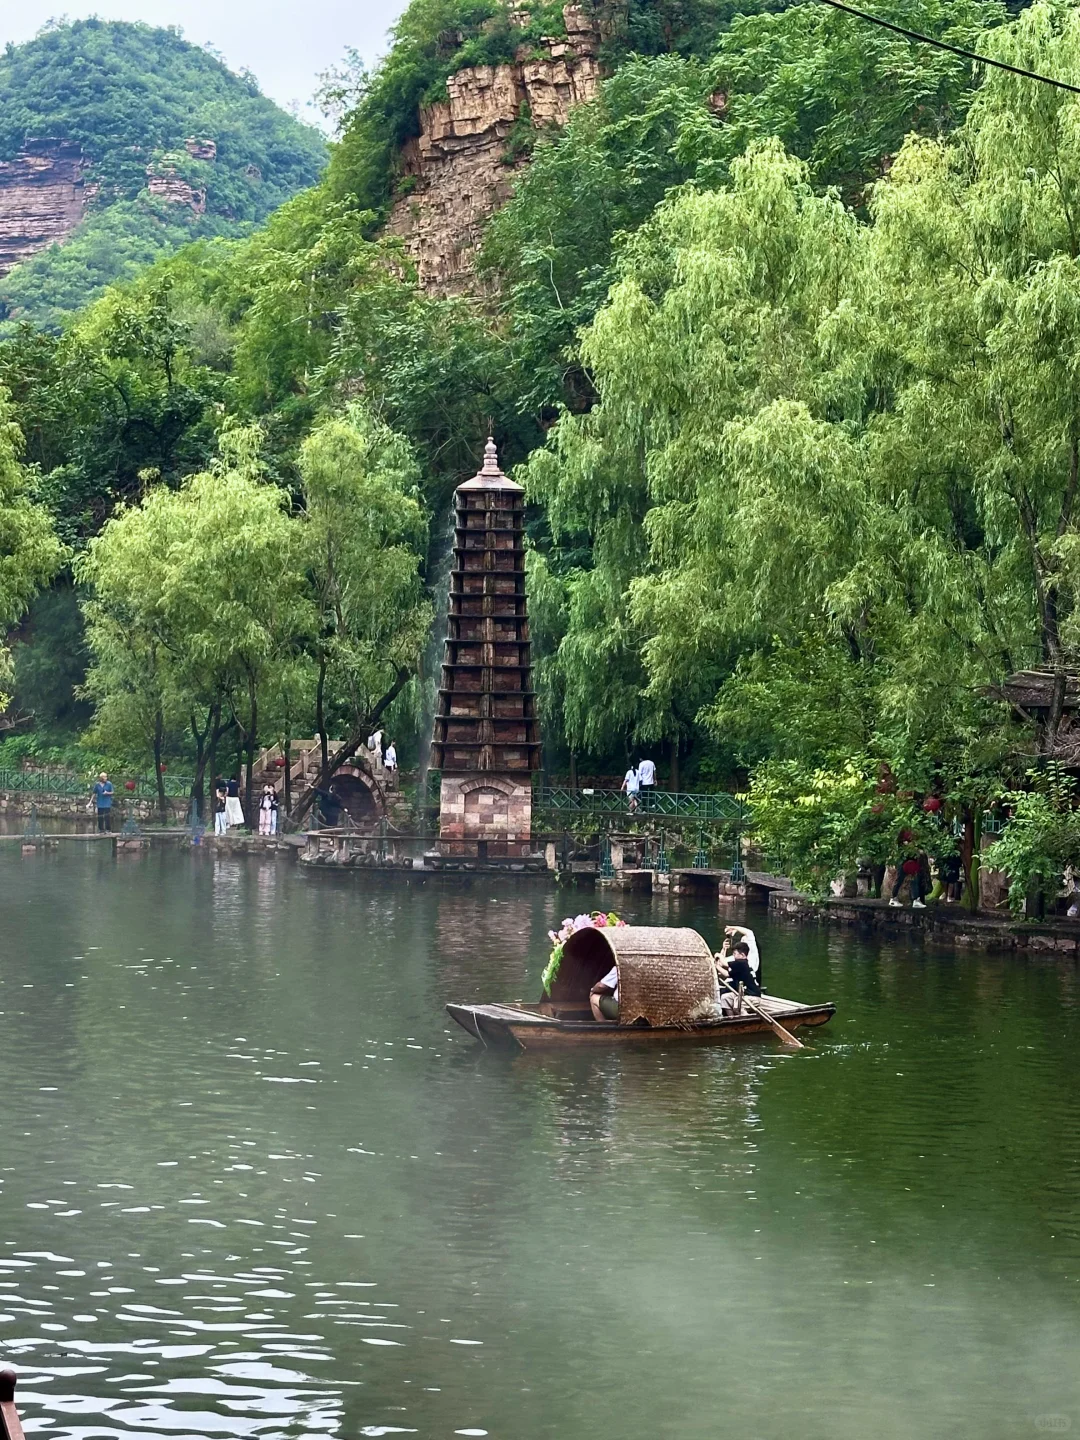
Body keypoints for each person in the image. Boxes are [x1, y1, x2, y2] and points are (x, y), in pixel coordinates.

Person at [716, 941, 761, 1012]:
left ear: (742, 955)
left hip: (752, 996)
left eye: (735, 954)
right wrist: (716, 966)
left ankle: (744, 1021)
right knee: (725, 998)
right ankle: (731, 1019)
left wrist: (719, 955)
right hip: (743, 995)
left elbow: (724, 963)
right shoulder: (739, 967)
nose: (733, 956)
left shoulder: (741, 963)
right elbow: (727, 974)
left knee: (738, 1005)